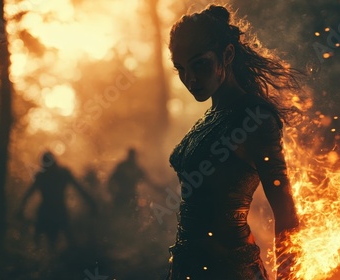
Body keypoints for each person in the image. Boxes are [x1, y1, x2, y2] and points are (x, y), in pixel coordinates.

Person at [167, 5, 300, 279]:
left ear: (226, 55)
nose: (189, 79)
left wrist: (289, 277)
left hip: (231, 271)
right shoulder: (211, 117)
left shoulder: (254, 118)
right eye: (181, 69)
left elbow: (285, 213)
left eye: (199, 64)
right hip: (187, 269)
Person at [19, 151, 97, 252]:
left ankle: (43, 261)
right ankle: (54, 260)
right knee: (52, 239)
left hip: (48, 210)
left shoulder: (45, 175)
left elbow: (29, 193)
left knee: (41, 240)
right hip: (56, 210)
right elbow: (79, 189)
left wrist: (21, 208)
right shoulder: (59, 174)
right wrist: (91, 202)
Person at [108, 148, 149, 214]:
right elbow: (111, 179)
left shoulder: (136, 168)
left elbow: (147, 180)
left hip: (131, 195)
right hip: (121, 195)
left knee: (133, 215)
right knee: (118, 214)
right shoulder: (122, 167)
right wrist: (111, 190)